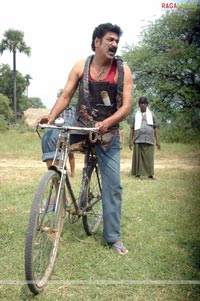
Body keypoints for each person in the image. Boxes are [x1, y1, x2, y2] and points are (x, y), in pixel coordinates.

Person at [36, 23, 133, 255]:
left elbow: (127, 107)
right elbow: (66, 95)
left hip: (107, 132)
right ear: (96, 42)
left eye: (116, 41)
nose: (114, 44)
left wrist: (107, 123)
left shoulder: (123, 70)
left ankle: (113, 237)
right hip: (82, 124)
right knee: (51, 136)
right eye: (110, 39)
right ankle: (58, 193)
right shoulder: (81, 66)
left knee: (113, 186)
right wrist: (51, 115)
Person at [129, 96, 160, 179]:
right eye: (141, 103)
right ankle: (137, 174)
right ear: (139, 105)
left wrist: (157, 141)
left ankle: (150, 174)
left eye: (144, 103)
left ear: (147, 104)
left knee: (149, 157)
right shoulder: (135, 114)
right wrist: (130, 141)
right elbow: (132, 128)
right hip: (138, 138)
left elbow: (155, 127)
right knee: (138, 157)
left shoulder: (152, 114)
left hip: (149, 138)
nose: (143, 105)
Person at [41, 105, 76, 177]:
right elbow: (50, 120)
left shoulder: (74, 109)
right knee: (46, 138)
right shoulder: (56, 109)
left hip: (69, 130)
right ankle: (53, 174)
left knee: (70, 154)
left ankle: (72, 173)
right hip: (57, 128)